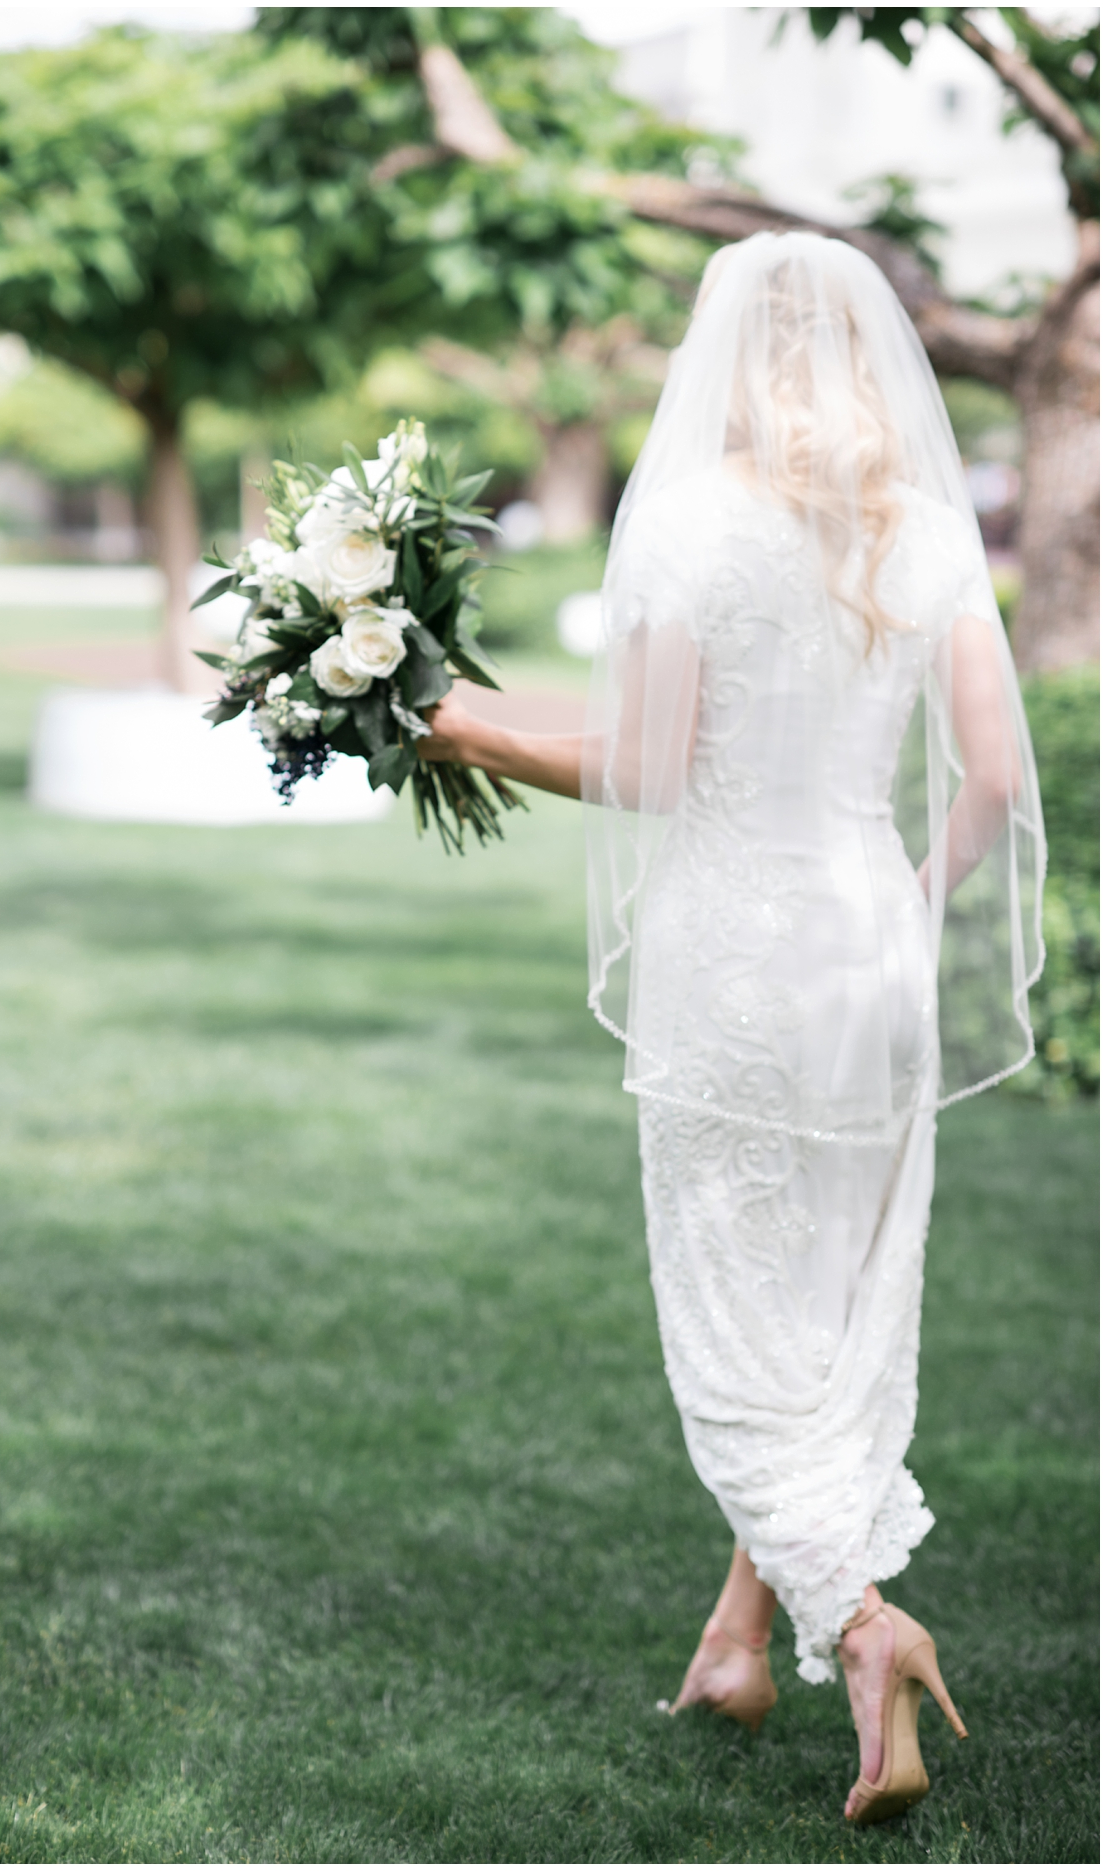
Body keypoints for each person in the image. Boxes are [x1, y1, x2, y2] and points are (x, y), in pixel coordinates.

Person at [418, 232, 1043, 1826]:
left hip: (738, 960)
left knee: (737, 1333)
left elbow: (643, 769)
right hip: (868, 950)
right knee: (827, 1324)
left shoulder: (695, 520)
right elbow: (986, 780)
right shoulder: (927, 531)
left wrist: (460, 724)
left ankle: (864, 1627)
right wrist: (911, 895)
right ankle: (735, 1639)